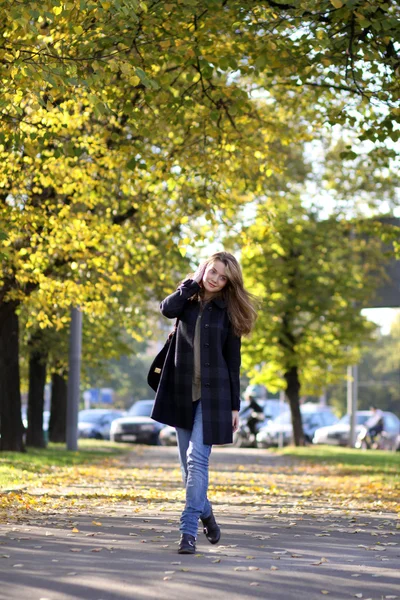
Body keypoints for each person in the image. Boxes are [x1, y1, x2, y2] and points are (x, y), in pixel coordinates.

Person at [151, 251, 257, 554]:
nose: (216, 279)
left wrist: (234, 406)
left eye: (223, 277)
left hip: (214, 397)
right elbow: (166, 309)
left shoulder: (229, 310)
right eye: (213, 272)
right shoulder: (187, 299)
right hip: (182, 391)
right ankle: (206, 513)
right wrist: (190, 285)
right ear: (205, 269)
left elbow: (233, 362)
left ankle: (187, 530)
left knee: (198, 459)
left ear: (229, 282)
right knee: (187, 469)